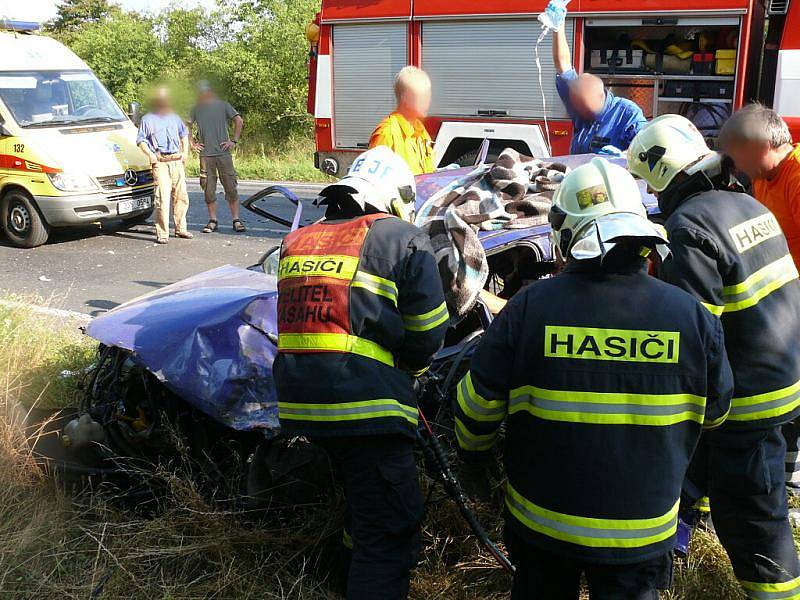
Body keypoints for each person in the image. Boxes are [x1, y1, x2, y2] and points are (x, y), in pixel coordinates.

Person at [455, 157, 733, 599]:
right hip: (641, 532)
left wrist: (474, 461)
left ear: (567, 233)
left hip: (542, 525)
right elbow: (716, 416)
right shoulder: (693, 319)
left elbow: (476, 408)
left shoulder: (530, 307)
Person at [628, 114, 800, 600]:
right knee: (694, 471)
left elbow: (692, 336)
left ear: (663, 176)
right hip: (784, 372)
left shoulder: (688, 227)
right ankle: (675, 546)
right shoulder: (744, 203)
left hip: (748, 402)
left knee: (754, 521)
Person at [273, 146, 449, 599]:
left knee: (364, 507)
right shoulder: (401, 238)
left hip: (299, 404)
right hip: (364, 403)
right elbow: (428, 334)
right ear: (394, 197)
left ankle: (342, 581)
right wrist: (410, 369)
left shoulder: (299, 240)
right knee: (390, 528)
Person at [720, 104, 800, 493]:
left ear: (762, 145)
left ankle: (792, 478)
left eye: (737, 155)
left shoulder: (796, 176)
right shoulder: (764, 176)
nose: (734, 166)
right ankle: (785, 473)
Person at [552, 19, 646, 154]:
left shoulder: (627, 113)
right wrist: (558, 26)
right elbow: (563, 64)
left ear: (602, 96)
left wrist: (623, 155)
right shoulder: (577, 96)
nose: (581, 114)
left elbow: (645, 147)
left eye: (587, 110)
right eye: (579, 108)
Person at [136, 86, 192, 244]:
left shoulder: (174, 116)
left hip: (176, 161)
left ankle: (181, 229)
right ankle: (162, 233)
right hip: (160, 163)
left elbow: (184, 134)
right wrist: (151, 156)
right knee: (162, 198)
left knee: (181, 197)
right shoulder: (147, 119)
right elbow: (141, 141)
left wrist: (185, 153)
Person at [189, 81, 246, 234]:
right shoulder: (196, 108)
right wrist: (191, 143)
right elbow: (186, 124)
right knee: (208, 189)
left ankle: (236, 220)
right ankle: (213, 220)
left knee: (231, 187)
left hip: (223, 153)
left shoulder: (223, 105)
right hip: (205, 155)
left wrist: (233, 140)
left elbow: (239, 120)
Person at [369, 66, 435, 175]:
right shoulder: (386, 134)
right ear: (405, 97)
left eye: (428, 95)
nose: (428, 101)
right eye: (422, 95)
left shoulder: (420, 130)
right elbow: (374, 183)